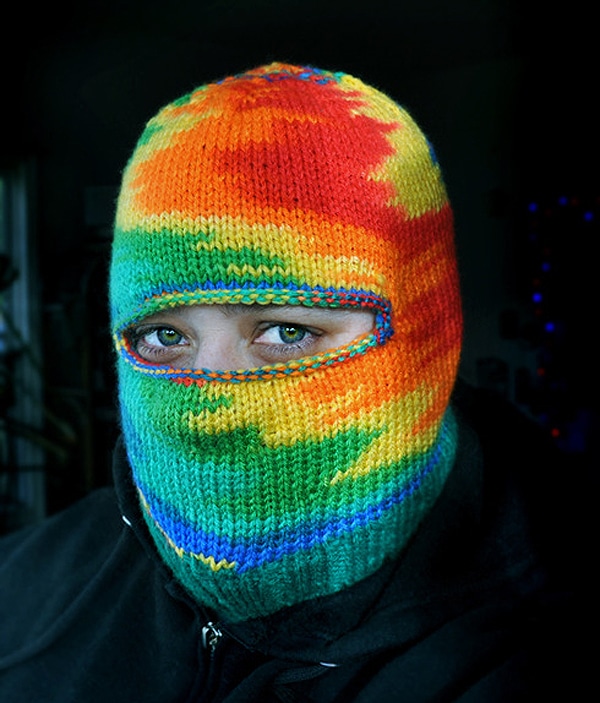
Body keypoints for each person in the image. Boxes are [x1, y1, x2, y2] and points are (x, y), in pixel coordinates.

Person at [0, 62, 591, 702]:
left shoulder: (527, 654)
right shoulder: (25, 592)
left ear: (427, 336)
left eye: (286, 331)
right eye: (166, 337)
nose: (210, 407)